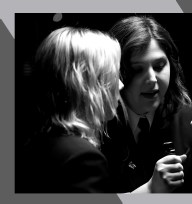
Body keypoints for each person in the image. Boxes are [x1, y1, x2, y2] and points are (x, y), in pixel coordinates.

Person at [18, 27, 122, 193]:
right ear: (87, 85)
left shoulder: (36, 141)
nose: (121, 85)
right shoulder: (82, 158)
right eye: (114, 76)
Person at [102, 16, 192, 193]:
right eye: (137, 69)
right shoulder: (96, 126)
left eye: (159, 66)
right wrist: (150, 191)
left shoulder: (191, 121)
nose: (152, 79)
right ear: (114, 72)